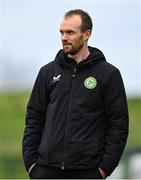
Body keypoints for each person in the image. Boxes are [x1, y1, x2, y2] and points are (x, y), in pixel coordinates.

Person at [22, 9, 129, 179]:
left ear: (87, 34)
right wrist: (31, 164)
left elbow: (118, 126)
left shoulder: (108, 74)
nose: (64, 37)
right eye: (61, 32)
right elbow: (34, 119)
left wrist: (103, 169)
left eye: (70, 32)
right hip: (45, 171)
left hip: (87, 172)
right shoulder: (47, 72)